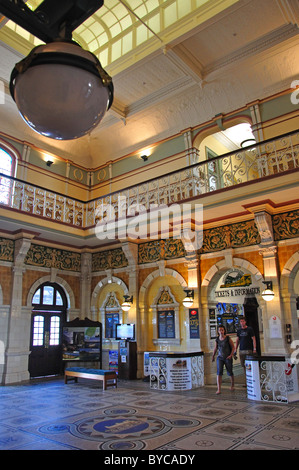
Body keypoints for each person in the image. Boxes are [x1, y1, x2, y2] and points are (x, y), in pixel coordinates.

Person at [212, 325, 235, 394]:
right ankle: (219, 389)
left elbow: (233, 347)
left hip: (227, 357)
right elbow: (215, 348)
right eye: (219, 330)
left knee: (230, 371)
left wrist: (231, 355)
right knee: (219, 372)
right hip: (220, 357)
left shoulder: (227, 338)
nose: (221, 331)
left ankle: (232, 385)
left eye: (222, 330)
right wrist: (213, 355)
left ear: (224, 331)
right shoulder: (217, 339)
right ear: (218, 331)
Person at [235, 316, 257, 386]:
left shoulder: (249, 329)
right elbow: (238, 340)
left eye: (243, 321)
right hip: (242, 350)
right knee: (244, 366)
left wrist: (254, 348)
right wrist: (235, 349)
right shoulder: (239, 331)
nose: (242, 323)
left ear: (245, 322)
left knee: (249, 366)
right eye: (241, 321)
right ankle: (246, 381)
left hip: (248, 349)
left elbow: (253, 338)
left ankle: (252, 379)